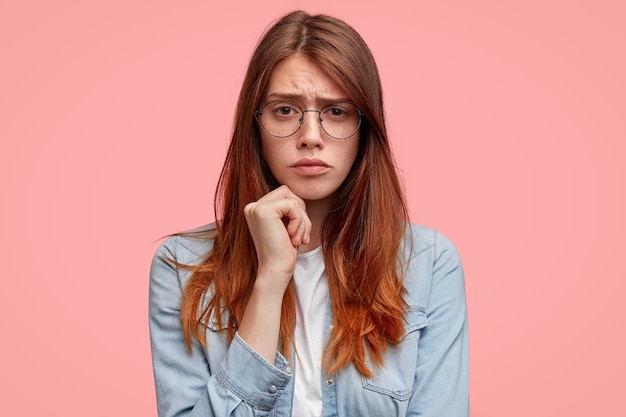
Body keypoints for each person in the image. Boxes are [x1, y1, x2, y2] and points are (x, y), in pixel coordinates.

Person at [149, 10, 468, 417]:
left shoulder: (429, 263)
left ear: (365, 127)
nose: (311, 137)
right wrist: (270, 279)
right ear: (255, 125)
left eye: (336, 111)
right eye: (285, 110)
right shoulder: (183, 268)